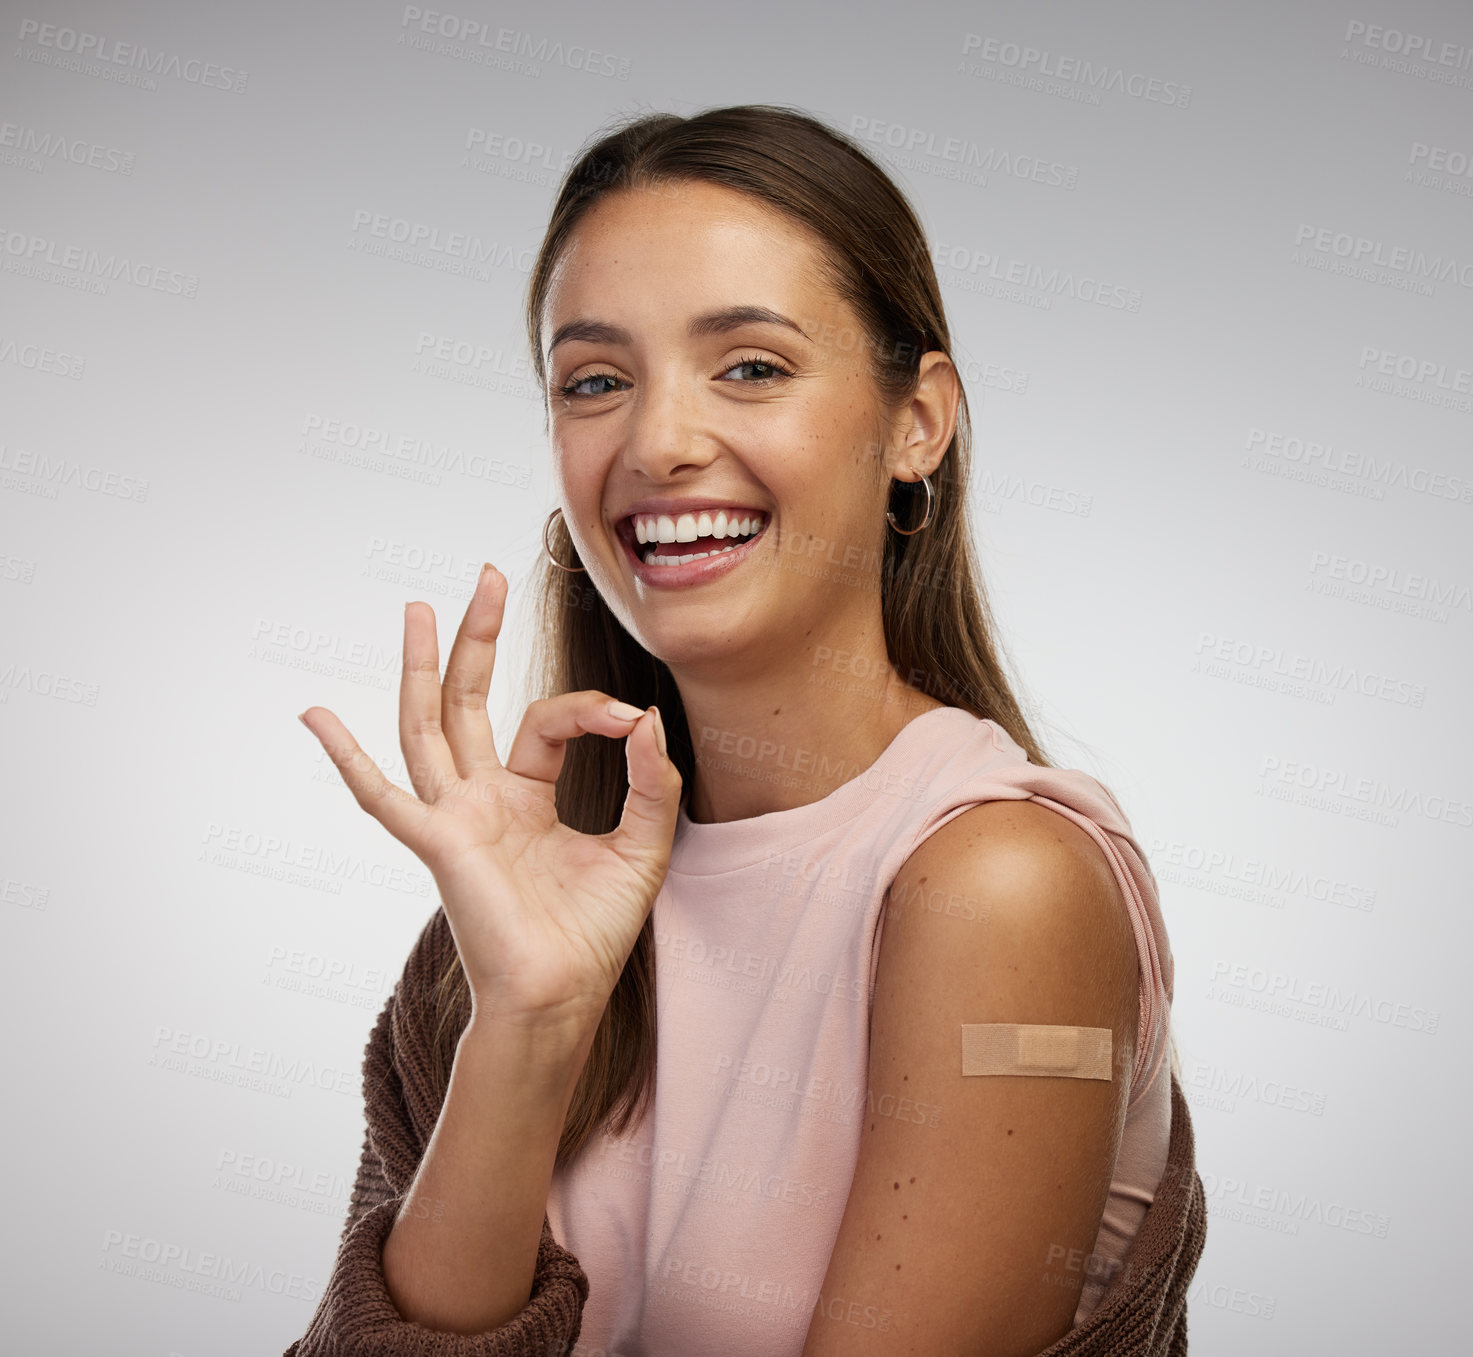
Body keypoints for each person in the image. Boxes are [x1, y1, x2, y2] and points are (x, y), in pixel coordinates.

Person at [287, 104, 1204, 1357]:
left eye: (752, 366)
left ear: (917, 422)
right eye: (596, 381)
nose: (659, 443)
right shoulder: (529, 904)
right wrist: (531, 1020)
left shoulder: (1003, 889)